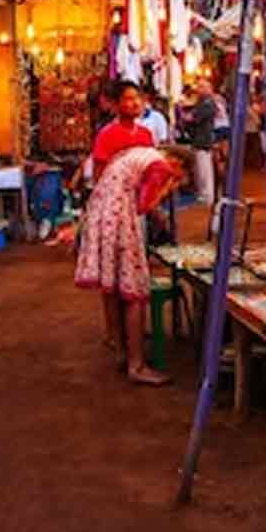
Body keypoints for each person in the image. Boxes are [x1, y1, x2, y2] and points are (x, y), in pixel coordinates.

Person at [74, 144, 192, 386]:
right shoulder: (160, 165)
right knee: (135, 293)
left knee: (115, 288)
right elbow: (144, 205)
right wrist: (168, 186)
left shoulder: (137, 153)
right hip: (120, 220)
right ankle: (137, 366)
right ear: (177, 163)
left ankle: (121, 352)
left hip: (102, 217)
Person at [184, 77, 217, 205]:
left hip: (203, 140)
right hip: (200, 139)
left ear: (209, 89)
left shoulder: (208, 103)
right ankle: (204, 194)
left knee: (204, 170)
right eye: (199, 86)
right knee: (200, 169)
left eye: (202, 87)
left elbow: (194, 117)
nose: (199, 89)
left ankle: (207, 196)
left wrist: (189, 117)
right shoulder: (202, 102)